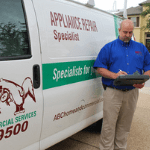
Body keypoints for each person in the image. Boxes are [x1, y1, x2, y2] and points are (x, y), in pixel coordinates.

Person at [93, 19, 150, 150]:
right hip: (113, 92)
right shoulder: (109, 47)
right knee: (108, 125)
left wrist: (143, 80)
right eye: (125, 32)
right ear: (119, 30)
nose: (128, 35)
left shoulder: (140, 48)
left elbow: (148, 67)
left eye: (130, 32)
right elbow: (99, 68)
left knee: (125, 125)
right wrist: (115, 76)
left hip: (132, 93)